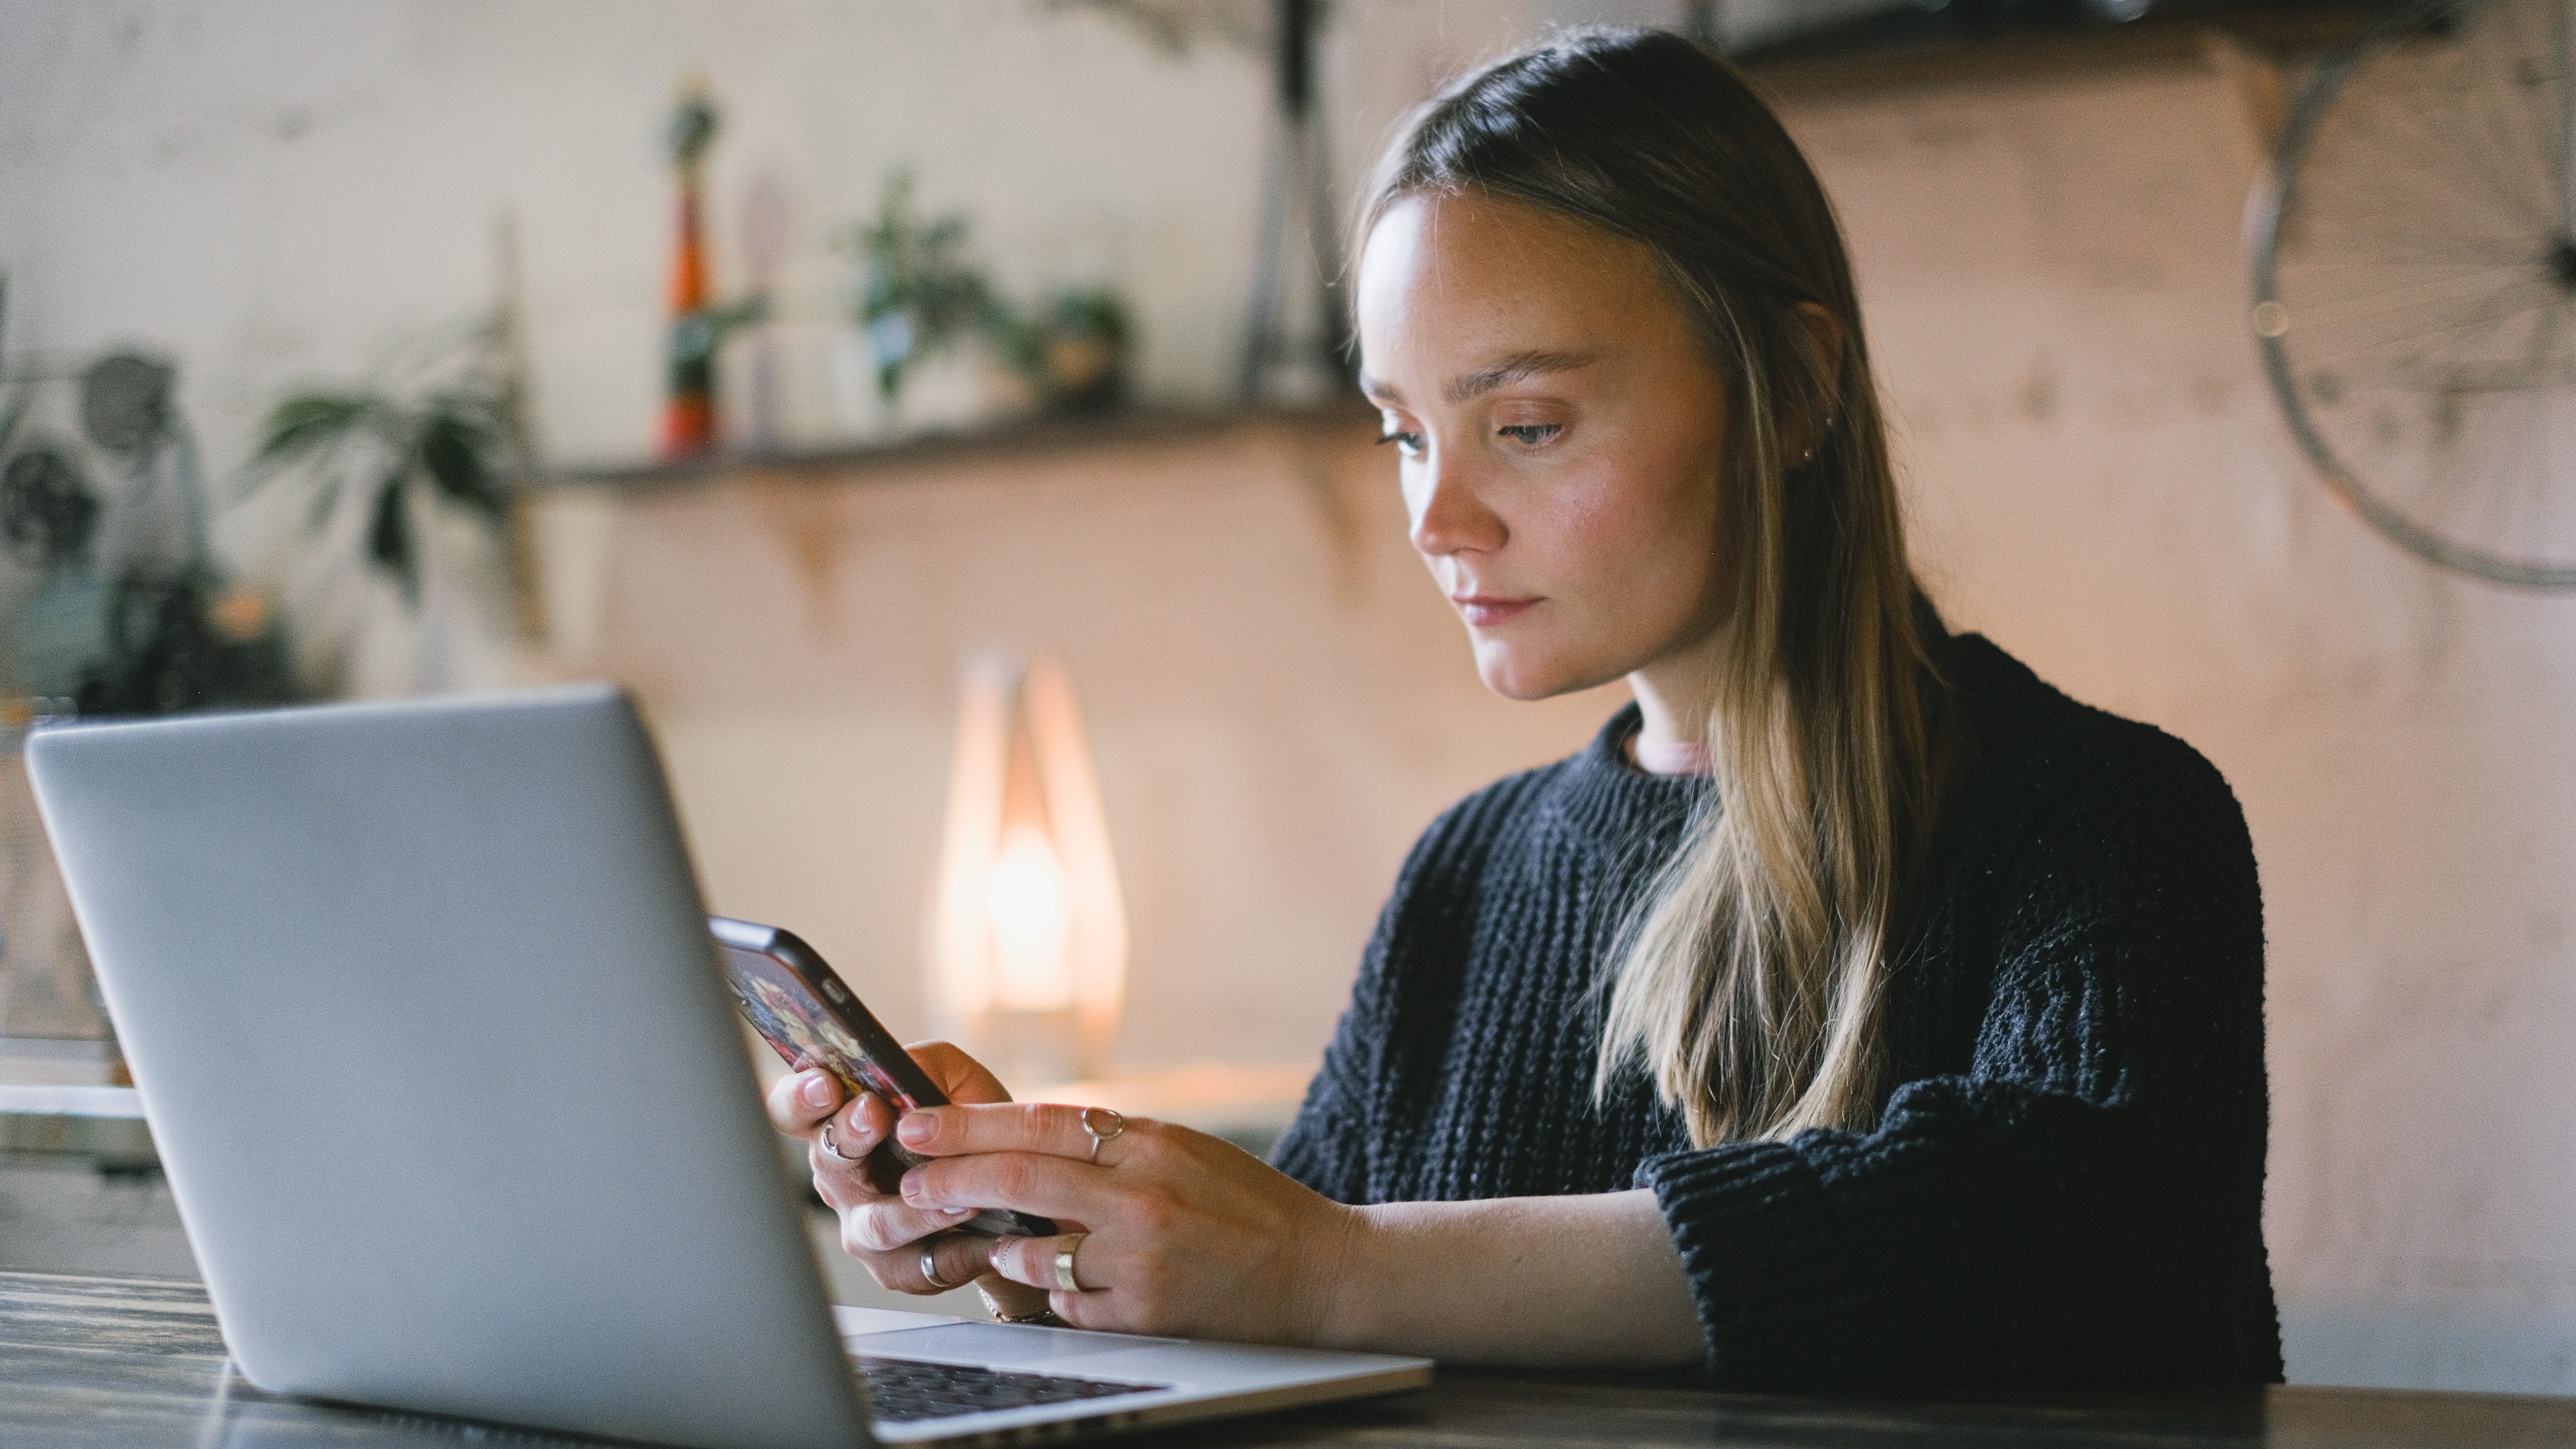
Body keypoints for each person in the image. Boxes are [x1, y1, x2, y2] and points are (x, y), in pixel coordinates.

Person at [767, 29, 2281, 1391]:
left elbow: (2065, 1232)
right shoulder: (1468, 874)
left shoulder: (2105, 819)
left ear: (1797, 385)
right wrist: (1044, 1232)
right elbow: (1283, 1316)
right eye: (1405, 433)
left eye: (1529, 424)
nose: (1440, 518)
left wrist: (1329, 1267)